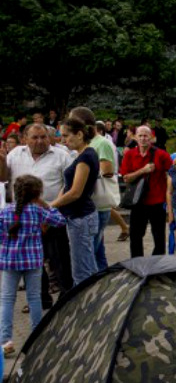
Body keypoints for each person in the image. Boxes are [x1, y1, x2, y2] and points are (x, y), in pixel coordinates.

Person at [0, 124, 74, 308]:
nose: (40, 141)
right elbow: (3, 179)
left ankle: (66, 298)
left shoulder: (61, 156)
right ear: (25, 138)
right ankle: (41, 298)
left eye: (43, 137)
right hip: (25, 219)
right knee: (34, 263)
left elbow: (69, 185)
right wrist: (1, 161)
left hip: (52, 216)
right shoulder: (15, 154)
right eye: (35, 137)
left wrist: (49, 210)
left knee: (60, 260)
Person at [0, 175, 65, 355]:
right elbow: (60, 220)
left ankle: (5, 341)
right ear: (37, 194)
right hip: (33, 260)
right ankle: (36, 338)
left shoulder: (5, 212)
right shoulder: (38, 211)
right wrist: (45, 204)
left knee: (6, 300)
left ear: (15, 191)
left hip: (9, 261)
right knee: (34, 298)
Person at [50, 117, 100, 285]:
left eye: (66, 136)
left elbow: (75, 192)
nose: (63, 140)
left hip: (80, 217)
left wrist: (51, 206)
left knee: (82, 272)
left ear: (79, 134)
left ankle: (88, 308)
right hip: (81, 216)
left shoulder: (85, 157)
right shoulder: (84, 154)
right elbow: (68, 187)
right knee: (88, 266)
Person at [70, 107, 115, 272]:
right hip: (90, 203)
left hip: (98, 204)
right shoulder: (88, 143)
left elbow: (107, 171)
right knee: (97, 252)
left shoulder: (101, 143)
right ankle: (103, 282)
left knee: (90, 253)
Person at [121, 125, 173, 257]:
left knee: (159, 237)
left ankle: (157, 266)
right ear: (135, 137)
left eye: (146, 136)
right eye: (140, 135)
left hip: (157, 201)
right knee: (135, 236)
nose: (143, 138)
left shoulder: (161, 155)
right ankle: (138, 264)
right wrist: (143, 171)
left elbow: (173, 173)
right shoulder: (130, 155)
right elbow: (126, 178)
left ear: (151, 138)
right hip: (138, 201)